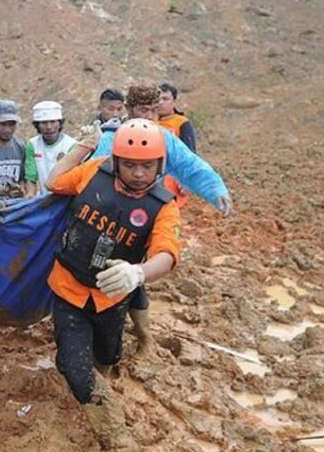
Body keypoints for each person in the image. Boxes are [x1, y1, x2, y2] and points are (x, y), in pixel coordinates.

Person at [46, 118, 180, 450]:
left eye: (147, 167)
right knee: (75, 368)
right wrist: (83, 146)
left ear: (159, 165)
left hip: (112, 297)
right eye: (131, 165)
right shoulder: (93, 173)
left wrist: (138, 274)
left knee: (107, 356)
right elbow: (53, 182)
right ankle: (114, 436)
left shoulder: (163, 206)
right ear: (116, 161)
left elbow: (167, 253)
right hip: (69, 287)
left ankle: (98, 383)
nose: (138, 174)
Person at [93, 83, 232, 354]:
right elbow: (90, 175)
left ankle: (143, 337)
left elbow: (190, 165)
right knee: (100, 275)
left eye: (154, 111)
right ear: (130, 109)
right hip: (106, 219)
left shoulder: (164, 138)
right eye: (143, 110)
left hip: (144, 217)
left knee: (135, 276)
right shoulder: (112, 137)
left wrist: (216, 190)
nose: (149, 117)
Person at [23, 101, 78, 195]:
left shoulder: (71, 145)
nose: (49, 127)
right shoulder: (33, 144)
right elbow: (31, 177)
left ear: (60, 123)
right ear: (37, 125)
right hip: (44, 198)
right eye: (44, 123)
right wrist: (30, 195)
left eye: (53, 122)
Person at [157, 83, 196, 153]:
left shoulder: (182, 122)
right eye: (157, 99)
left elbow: (189, 152)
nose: (160, 102)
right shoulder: (148, 122)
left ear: (174, 101)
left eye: (165, 99)